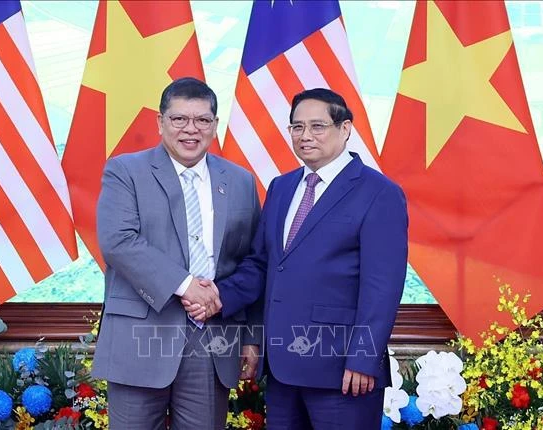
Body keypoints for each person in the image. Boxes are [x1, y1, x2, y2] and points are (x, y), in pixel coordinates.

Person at [185, 88, 408, 429]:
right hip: (282, 368)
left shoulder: (379, 193)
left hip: (342, 370)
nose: (305, 136)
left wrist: (364, 358)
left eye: (317, 126)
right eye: (297, 127)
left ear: (345, 129)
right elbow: (262, 265)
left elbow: (383, 288)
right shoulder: (282, 187)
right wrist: (219, 298)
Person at [92, 77, 262, 429]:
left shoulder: (241, 180)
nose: (191, 129)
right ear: (160, 122)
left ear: (215, 126)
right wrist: (187, 285)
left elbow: (251, 262)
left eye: (202, 120)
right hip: (141, 336)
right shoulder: (126, 170)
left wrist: (251, 337)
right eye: (179, 119)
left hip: (213, 341)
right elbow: (118, 241)